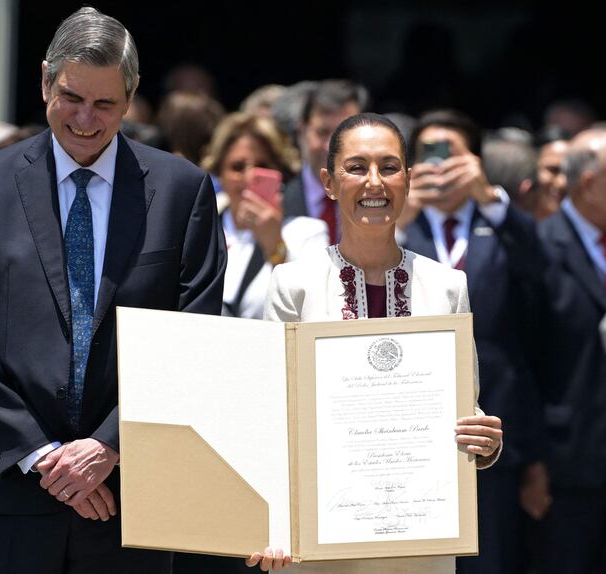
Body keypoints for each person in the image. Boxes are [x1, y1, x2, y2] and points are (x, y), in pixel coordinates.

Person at [0, 7, 226, 574]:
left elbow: (195, 337)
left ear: (132, 94)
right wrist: (47, 459)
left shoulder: (181, 190)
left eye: (106, 104)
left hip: (129, 501)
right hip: (13, 500)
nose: (86, 120)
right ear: (45, 79)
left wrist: (109, 445)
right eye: (71, 97)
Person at [249, 112, 502, 573]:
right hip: (321, 540)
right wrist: (272, 525)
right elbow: (271, 416)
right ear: (328, 181)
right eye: (356, 167)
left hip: (420, 539)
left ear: (407, 179)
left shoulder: (448, 285)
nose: (374, 183)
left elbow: (466, 405)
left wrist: (483, 438)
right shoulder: (293, 284)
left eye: (389, 167)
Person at [399, 109, 548, 574]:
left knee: (493, 554)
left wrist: (490, 197)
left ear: (475, 160)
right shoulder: (402, 227)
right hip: (412, 420)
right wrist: (400, 221)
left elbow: (541, 277)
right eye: (427, 155)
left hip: (495, 422)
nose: (439, 166)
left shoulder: (499, 221)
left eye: (451, 154)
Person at [533, 128, 606, 574]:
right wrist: (531, 466)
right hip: (567, 465)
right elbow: (526, 360)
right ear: (589, 183)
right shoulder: (540, 246)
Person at [201, 112, 328, 319]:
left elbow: (313, 306)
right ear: (219, 173)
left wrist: (275, 246)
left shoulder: (307, 232)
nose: (249, 177)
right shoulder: (200, 228)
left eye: (262, 166)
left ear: (280, 172)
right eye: (237, 167)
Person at [282, 79, 369, 243]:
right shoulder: (277, 204)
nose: (330, 146)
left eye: (344, 133)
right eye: (322, 132)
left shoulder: (383, 201)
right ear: (302, 131)